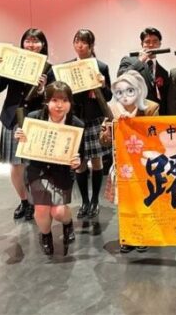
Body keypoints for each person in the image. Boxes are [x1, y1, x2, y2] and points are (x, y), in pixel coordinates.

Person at [15, 81, 84, 256]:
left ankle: (67, 223)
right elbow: (25, 145)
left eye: (64, 100)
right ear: (46, 101)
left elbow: (81, 155)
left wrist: (77, 162)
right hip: (37, 171)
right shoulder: (33, 118)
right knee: (41, 209)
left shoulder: (76, 124)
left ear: (70, 103)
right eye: (54, 100)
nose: (59, 105)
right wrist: (20, 137)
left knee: (58, 211)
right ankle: (45, 235)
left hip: (61, 173)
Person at [0, 28, 49, 221]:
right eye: (28, 41)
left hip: (35, 121)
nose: (32, 45)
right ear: (22, 43)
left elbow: (54, 97)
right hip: (13, 118)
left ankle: (36, 201)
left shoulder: (48, 68)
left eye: (36, 41)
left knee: (34, 166)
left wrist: (42, 90)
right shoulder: (14, 61)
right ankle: (24, 201)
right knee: (16, 166)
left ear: (43, 44)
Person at [100, 70, 159, 254]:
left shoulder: (150, 108)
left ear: (138, 90)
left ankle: (143, 234)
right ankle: (128, 235)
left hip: (143, 163)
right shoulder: (112, 110)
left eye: (129, 90)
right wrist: (107, 133)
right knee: (125, 202)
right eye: (119, 92)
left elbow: (155, 135)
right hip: (122, 164)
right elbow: (104, 141)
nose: (124, 96)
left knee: (143, 199)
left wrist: (132, 125)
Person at [59, 29, 112, 220]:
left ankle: (95, 200)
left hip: (94, 119)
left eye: (84, 42)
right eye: (77, 41)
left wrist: (103, 85)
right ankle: (85, 202)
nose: (80, 45)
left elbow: (108, 96)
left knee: (96, 161)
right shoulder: (66, 68)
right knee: (79, 163)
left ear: (91, 45)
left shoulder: (101, 66)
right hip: (75, 120)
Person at [117, 27, 170, 115]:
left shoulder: (163, 72)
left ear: (159, 44)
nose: (151, 45)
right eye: (147, 42)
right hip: (135, 112)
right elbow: (121, 77)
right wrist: (140, 60)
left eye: (155, 41)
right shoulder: (129, 60)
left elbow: (165, 98)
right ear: (142, 44)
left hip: (156, 114)